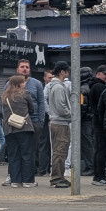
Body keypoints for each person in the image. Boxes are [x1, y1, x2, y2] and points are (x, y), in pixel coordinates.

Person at [1, 74, 36, 188]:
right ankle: (28, 180)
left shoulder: (5, 96)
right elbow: (32, 109)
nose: (24, 84)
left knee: (13, 155)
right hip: (24, 127)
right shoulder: (25, 94)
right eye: (23, 82)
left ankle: (15, 180)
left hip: (9, 128)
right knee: (26, 154)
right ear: (19, 84)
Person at [14, 59, 45, 172]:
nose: (25, 69)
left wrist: (41, 121)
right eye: (22, 67)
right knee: (16, 149)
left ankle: (30, 174)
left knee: (32, 149)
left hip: (34, 121)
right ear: (17, 69)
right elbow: (5, 103)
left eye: (27, 67)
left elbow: (41, 102)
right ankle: (15, 174)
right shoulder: (10, 83)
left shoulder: (37, 84)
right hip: (16, 122)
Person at [48, 61, 72, 189]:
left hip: (57, 122)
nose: (68, 74)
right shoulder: (58, 87)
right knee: (60, 151)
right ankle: (56, 178)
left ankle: (60, 177)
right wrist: (71, 114)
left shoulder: (55, 86)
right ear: (62, 72)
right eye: (67, 71)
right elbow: (61, 106)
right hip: (60, 123)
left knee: (60, 151)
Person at [90, 65, 106, 186]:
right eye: (105, 74)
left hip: (97, 121)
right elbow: (101, 106)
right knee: (102, 149)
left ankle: (98, 175)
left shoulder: (96, 86)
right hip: (100, 122)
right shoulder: (99, 87)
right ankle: (99, 176)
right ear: (98, 74)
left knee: (99, 149)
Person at [37, 69, 54, 176]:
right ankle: (42, 169)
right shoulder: (42, 89)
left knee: (48, 144)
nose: (51, 80)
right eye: (49, 78)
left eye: (53, 78)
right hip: (44, 119)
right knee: (43, 144)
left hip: (50, 119)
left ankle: (46, 168)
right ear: (44, 78)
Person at [80, 66, 95, 175]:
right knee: (92, 143)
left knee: (87, 143)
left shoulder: (82, 89)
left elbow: (82, 106)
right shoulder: (92, 86)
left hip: (85, 120)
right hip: (92, 118)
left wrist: (77, 118)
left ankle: (90, 166)